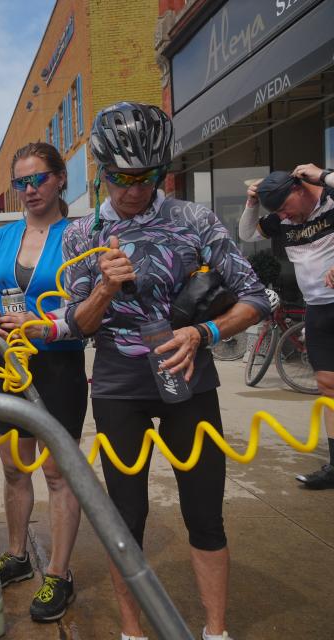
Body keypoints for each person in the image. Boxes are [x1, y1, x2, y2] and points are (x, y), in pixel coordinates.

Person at [62, 102, 268, 640]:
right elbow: (79, 325)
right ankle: (132, 633)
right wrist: (105, 287)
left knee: (206, 514)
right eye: (120, 178)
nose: (133, 190)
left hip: (189, 377)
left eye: (147, 177)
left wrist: (204, 333)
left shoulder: (193, 220)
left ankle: (215, 631)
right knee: (124, 522)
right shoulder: (81, 234)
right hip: (118, 386)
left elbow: (256, 296)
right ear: (100, 171)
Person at [0, 141, 87, 622]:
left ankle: (58, 573)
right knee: (16, 469)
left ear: (60, 179)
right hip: (10, 366)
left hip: (59, 364)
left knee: (58, 474)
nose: (30, 189)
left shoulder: (79, 234)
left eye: (39, 178)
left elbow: (86, 306)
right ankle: (17, 557)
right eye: (21, 182)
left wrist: (43, 323)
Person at [239, 165, 334, 489]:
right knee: (327, 383)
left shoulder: (330, 198)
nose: (283, 216)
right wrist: (253, 203)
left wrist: (322, 175)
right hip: (318, 307)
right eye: (277, 212)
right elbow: (247, 234)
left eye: (284, 207)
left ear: (299, 188)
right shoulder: (282, 217)